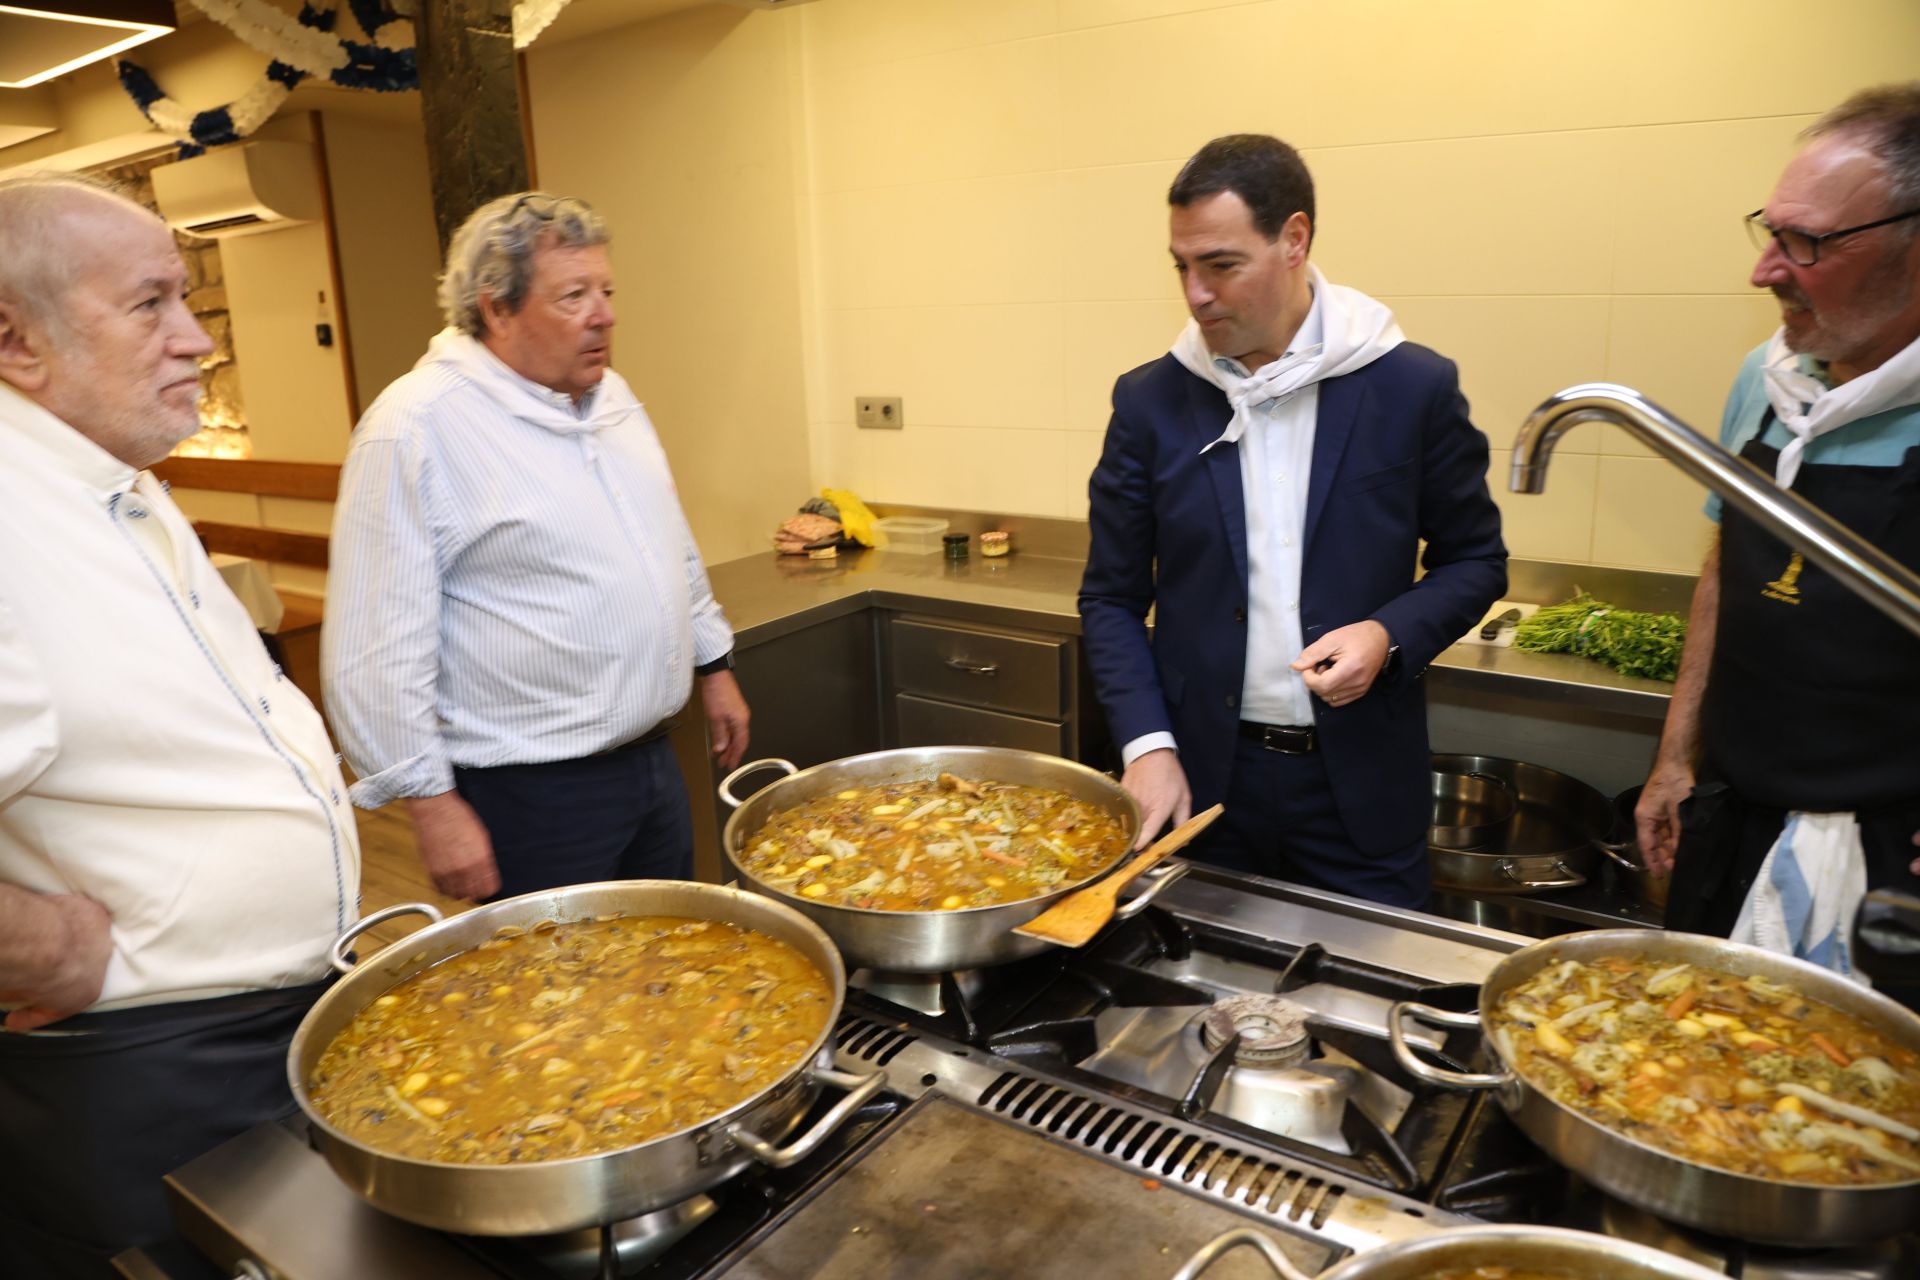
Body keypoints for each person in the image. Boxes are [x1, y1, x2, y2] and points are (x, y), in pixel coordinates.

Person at [0, 174, 362, 1277]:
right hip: (149, 1064)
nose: (198, 339)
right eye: (151, 303)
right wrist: (39, 942)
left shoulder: (109, 473)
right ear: (16, 341)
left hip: (270, 1022)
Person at [1079, 135, 1507, 909]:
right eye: (1182, 266)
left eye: (1221, 264)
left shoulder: (1410, 386)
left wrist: (1387, 634)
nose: (1195, 293)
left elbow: (1475, 560)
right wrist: (1147, 744)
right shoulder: (1150, 403)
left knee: (1374, 1012)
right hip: (1202, 787)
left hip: (1360, 796)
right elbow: (1108, 597)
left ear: (1294, 241)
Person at [324, 192, 749, 903]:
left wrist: (714, 664)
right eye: (574, 295)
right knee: (559, 1005)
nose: (605, 314)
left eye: (606, 291)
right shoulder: (417, 427)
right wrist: (428, 804)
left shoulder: (613, 398)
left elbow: (666, 540)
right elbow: (374, 645)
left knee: (667, 976)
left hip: (651, 765)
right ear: (497, 309)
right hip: (533, 797)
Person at [1635, 85, 1920, 970]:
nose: (1765, 270)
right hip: (1733, 813)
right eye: (1770, 232)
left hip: (1884, 859)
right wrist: (1675, 758)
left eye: (1808, 243)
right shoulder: (1767, 382)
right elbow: (1725, 566)